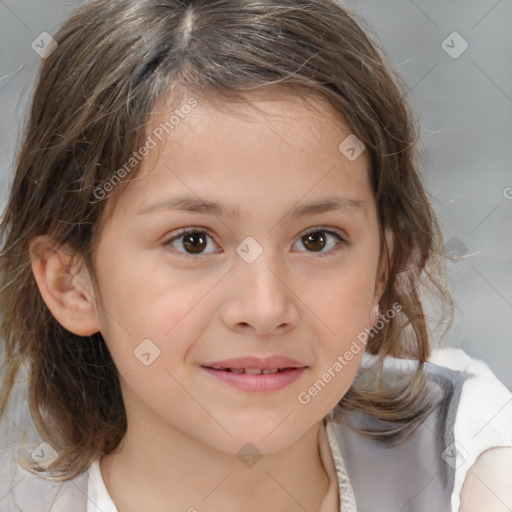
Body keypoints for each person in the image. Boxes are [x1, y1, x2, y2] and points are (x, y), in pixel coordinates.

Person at [0, 1, 510, 511]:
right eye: (193, 241)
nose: (266, 309)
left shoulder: (468, 451)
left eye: (317, 240)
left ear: (381, 269)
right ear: (72, 282)